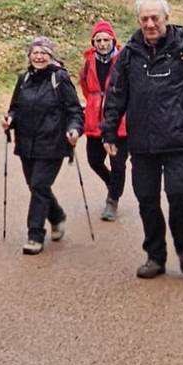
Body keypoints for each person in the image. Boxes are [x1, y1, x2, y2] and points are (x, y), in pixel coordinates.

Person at [102, 0, 183, 279]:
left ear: (167, 18)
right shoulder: (129, 53)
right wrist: (109, 132)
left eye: (155, 18)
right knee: (146, 198)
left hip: (178, 137)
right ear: (139, 21)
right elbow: (116, 95)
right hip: (141, 141)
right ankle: (155, 256)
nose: (150, 23)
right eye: (145, 18)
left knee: (178, 194)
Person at [2, 37, 83, 254]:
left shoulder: (60, 79)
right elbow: (15, 108)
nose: (39, 56)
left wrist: (74, 129)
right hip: (27, 143)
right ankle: (57, 216)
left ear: (51, 55)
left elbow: (75, 110)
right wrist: (9, 119)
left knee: (38, 185)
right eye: (35, 53)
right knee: (37, 186)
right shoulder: (24, 78)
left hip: (53, 144)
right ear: (29, 56)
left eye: (43, 53)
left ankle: (35, 235)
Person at [78, 20, 128, 222]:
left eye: (106, 39)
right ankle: (113, 185)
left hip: (120, 121)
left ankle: (112, 201)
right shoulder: (88, 61)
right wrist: (93, 104)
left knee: (118, 163)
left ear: (113, 40)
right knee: (94, 160)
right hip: (94, 120)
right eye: (98, 40)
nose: (102, 44)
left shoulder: (124, 60)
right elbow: (85, 86)